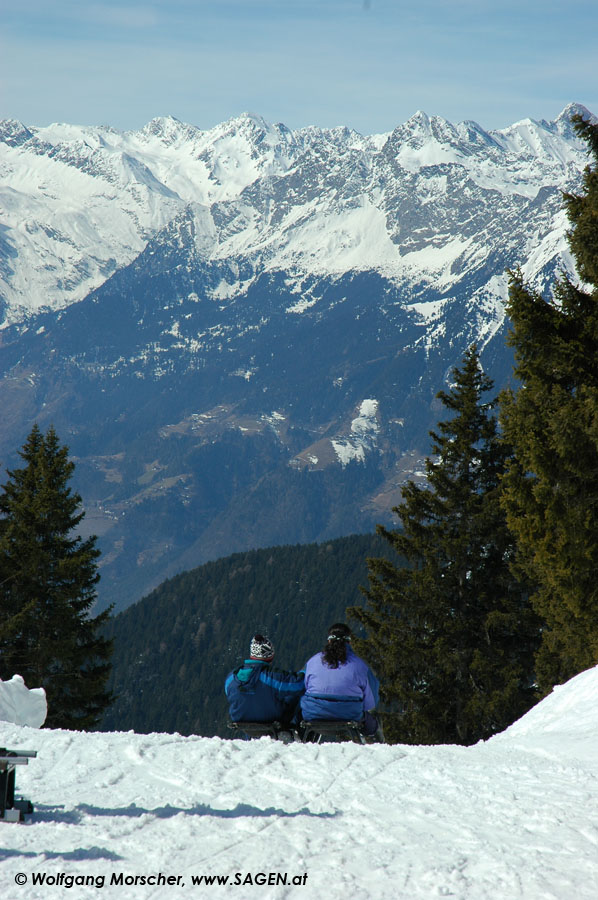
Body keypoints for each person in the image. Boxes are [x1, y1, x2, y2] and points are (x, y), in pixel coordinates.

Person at [300, 623, 382, 738]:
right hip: (349, 714)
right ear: (349, 642)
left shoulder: (313, 662)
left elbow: (301, 684)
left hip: (313, 713)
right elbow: (371, 700)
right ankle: (376, 748)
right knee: (373, 722)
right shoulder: (359, 665)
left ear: (329, 641)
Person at [225, 634, 304, 726]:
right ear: (270, 655)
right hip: (271, 718)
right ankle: (297, 733)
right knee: (297, 697)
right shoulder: (273, 677)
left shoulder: (231, 678)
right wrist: (305, 671)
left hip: (240, 718)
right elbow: (299, 685)